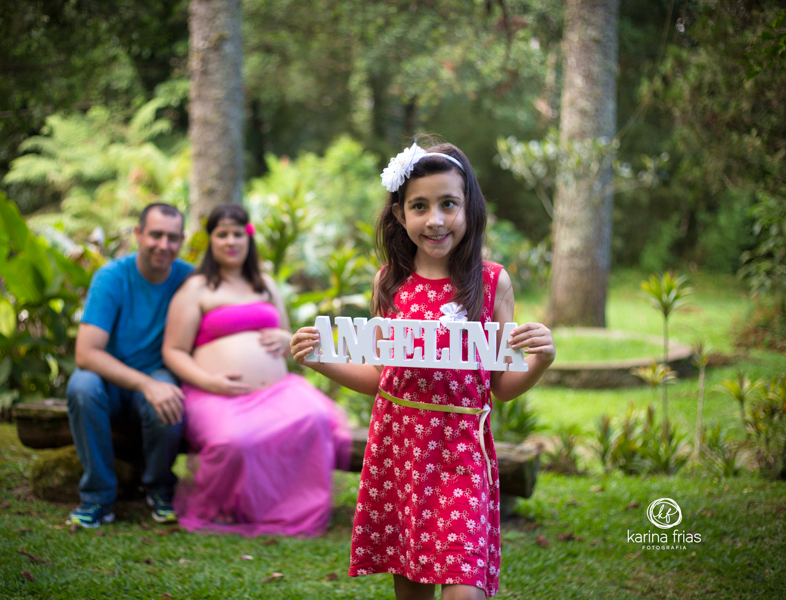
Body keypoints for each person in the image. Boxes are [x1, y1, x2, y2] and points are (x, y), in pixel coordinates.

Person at [290, 139, 555, 599]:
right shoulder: (388, 281)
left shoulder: (492, 282)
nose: (435, 219)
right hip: (401, 449)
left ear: (468, 207)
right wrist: (321, 361)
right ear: (400, 215)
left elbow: (503, 387)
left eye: (448, 204)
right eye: (420, 206)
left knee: (463, 586)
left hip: (461, 453)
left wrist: (541, 359)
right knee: (410, 582)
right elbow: (381, 377)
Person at [162, 202, 353, 537]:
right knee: (233, 442)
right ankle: (228, 509)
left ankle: (287, 508)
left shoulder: (264, 283)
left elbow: (288, 334)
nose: (230, 241)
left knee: (319, 419)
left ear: (248, 238)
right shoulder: (197, 288)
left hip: (276, 392)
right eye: (222, 234)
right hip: (215, 393)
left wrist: (284, 336)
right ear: (211, 240)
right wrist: (210, 381)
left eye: (237, 233)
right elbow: (174, 351)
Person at [66, 203, 194, 528]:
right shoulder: (111, 277)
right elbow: (85, 353)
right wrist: (146, 384)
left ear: (182, 240)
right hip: (108, 381)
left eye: (173, 238)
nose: (164, 245)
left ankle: (160, 490)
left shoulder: (189, 278)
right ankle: (98, 498)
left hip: (157, 371)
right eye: (156, 235)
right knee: (81, 386)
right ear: (138, 234)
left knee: (169, 394)